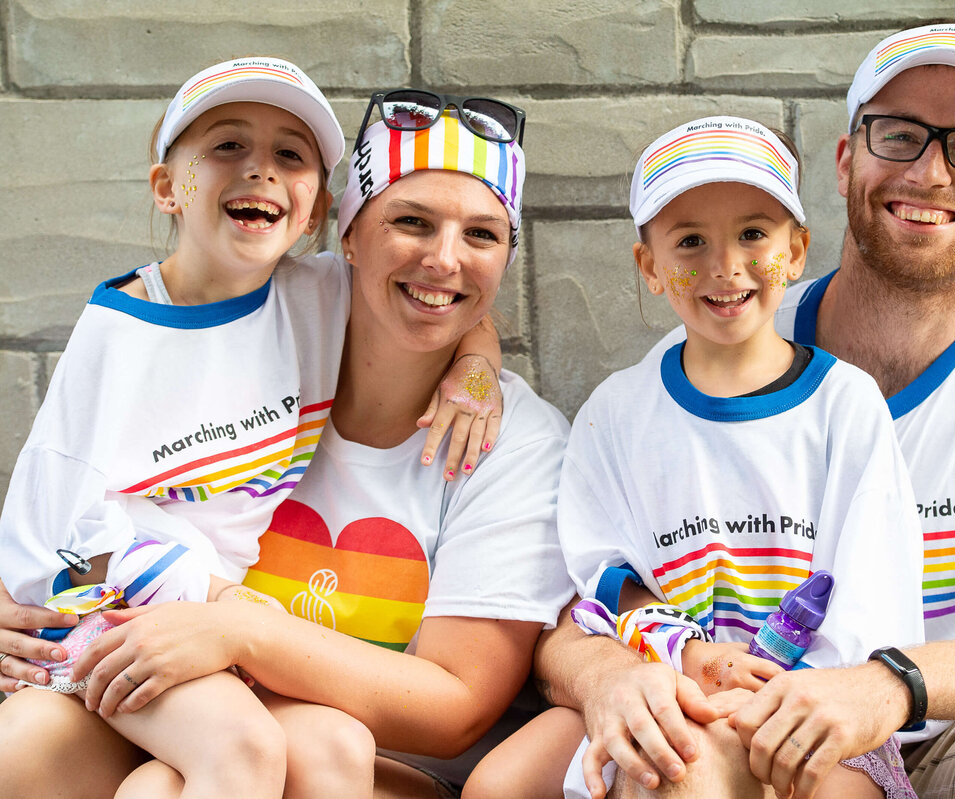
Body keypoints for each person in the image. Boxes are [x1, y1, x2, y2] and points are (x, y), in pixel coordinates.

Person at [533, 21, 955, 799]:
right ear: (848, 161)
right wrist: (615, 673)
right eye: (900, 134)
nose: (932, 171)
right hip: (755, 737)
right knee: (681, 763)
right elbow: (583, 599)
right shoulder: (710, 347)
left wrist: (889, 684)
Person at [0, 89, 573, 799]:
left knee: (272, 757)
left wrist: (241, 630)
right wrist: (30, 603)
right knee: (27, 735)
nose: (444, 259)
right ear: (346, 235)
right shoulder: (262, 330)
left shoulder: (513, 438)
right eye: (411, 222)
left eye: (482, 236)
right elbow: (78, 499)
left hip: (374, 759)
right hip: (206, 698)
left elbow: (455, 705)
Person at [469, 116, 925, 799]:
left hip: (812, 710)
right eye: (689, 241)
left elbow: (869, 608)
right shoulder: (616, 415)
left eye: (753, 234)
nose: (724, 266)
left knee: (696, 770)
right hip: (658, 682)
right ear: (648, 265)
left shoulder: (844, 406)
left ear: (797, 250)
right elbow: (603, 582)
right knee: (498, 784)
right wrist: (682, 665)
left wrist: (759, 695)